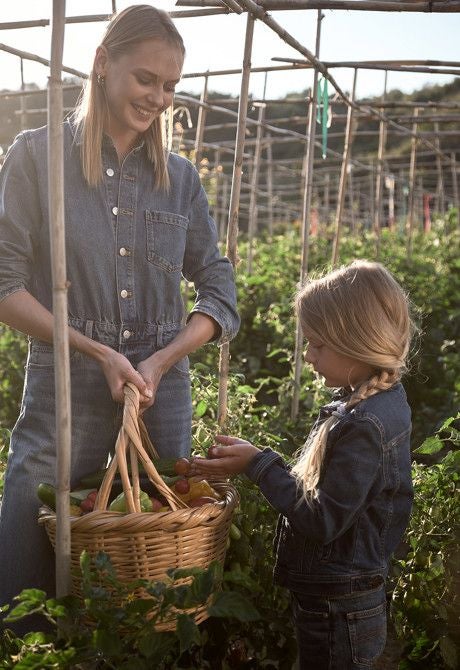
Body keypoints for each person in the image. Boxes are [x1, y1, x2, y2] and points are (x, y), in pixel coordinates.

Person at [0, 4, 239, 628]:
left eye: (170, 86)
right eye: (145, 79)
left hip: (161, 390)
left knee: (161, 557)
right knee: (29, 539)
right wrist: (99, 351)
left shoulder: (179, 178)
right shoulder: (37, 158)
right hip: (67, 380)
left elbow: (218, 287)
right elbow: (2, 285)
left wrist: (160, 359)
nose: (158, 97)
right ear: (103, 64)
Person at [189, 260, 415, 670]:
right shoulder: (371, 401)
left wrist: (257, 464)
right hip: (339, 598)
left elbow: (321, 517)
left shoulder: (365, 422)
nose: (308, 356)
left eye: (317, 345)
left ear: (355, 341)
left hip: (340, 605)